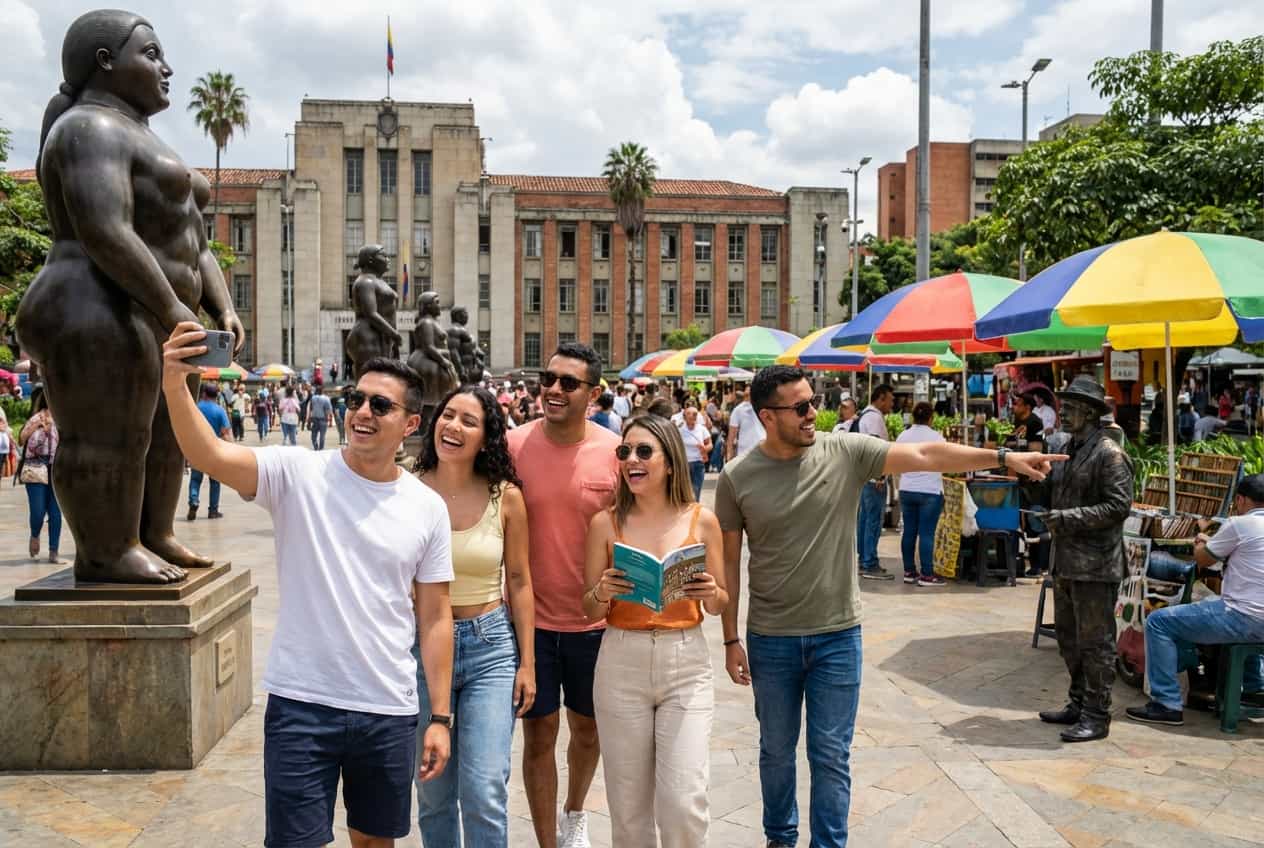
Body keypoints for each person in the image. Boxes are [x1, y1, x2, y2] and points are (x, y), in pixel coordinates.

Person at [716, 366, 1062, 848]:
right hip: (771, 639)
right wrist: (730, 638)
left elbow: (925, 452)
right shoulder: (738, 478)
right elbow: (728, 565)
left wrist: (1003, 455)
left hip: (838, 636)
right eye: (800, 407)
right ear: (766, 417)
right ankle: (780, 837)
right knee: (775, 751)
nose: (814, 412)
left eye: (812, 401)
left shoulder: (844, 452)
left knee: (830, 754)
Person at [162, 323, 455, 848]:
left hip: (387, 706)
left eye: (380, 406)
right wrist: (172, 380)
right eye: (356, 399)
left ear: (411, 422)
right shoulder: (296, 472)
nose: (363, 412)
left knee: (374, 841)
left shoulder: (427, 506)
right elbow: (207, 455)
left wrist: (440, 717)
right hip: (301, 704)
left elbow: (434, 617)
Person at [15, 10, 244, 584]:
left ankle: (154, 533)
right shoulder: (88, 128)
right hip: (95, 305)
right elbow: (104, 230)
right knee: (113, 434)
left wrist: (222, 306)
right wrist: (172, 308)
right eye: (151, 54)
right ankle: (106, 548)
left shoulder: (141, 136)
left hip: (157, 313)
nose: (166, 68)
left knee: (169, 427)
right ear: (105, 62)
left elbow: (196, 243)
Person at [582, 414, 728, 846]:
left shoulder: (702, 521)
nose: (631, 460)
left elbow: (719, 604)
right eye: (624, 452)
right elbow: (587, 609)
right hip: (621, 660)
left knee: (684, 801)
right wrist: (603, 590)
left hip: (686, 662)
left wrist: (709, 589)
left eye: (644, 451)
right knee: (628, 809)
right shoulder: (604, 524)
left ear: (669, 460)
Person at [413, 385, 537, 847]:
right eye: (448, 415)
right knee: (433, 791)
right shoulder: (408, 487)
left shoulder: (505, 497)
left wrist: (528, 663)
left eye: (469, 421)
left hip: (491, 649)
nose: (454, 426)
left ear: (486, 438)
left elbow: (520, 582)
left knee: (484, 789)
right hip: (421, 648)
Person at [508, 342, 620, 848]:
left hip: (595, 624)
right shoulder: (511, 446)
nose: (553, 390)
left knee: (589, 731)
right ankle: (547, 842)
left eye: (568, 383)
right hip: (527, 621)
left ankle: (575, 810)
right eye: (547, 379)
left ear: (593, 394)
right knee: (537, 736)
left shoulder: (615, 452)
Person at [1029, 376, 1134, 743]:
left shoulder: (1109, 453)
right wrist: (1033, 475)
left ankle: (1097, 713)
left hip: (1096, 564)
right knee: (1069, 639)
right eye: (1064, 407)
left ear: (1090, 413)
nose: (1064, 414)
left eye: (1071, 408)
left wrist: (1069, 518)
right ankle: (1077, 701)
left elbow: (1119, 505)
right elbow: (1055, 491)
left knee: (1096, 642)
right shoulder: (1068, 448)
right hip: (1067, 561)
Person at [1127, 473, 1264, 726]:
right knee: (1239, 614)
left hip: (1244, 618)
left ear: (1243, 500)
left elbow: (1203, 559)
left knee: (1158, 622)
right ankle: (1254, 689)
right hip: (1255, 619)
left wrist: (1200, 541)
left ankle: (1166, 703)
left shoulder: (1240, 523)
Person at [895, 402, 946, 587]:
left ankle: (909, 571)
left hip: (907, 489)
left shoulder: (903, 436)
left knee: (909, 531)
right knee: (926, 533)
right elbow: (945, 462)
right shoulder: (937, 438)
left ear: (913, 417)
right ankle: (927, 574)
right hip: (930, 491)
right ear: (931, 418)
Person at [856, 384, 895, 580]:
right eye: (890, 399)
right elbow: (874, 446)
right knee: (872, 520)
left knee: (865, 519)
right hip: (874, 479)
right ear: (880, 398)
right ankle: (869, 562)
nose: (892, 403)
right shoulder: (874, 418)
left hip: (867, 477)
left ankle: (864, 558)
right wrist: (880, 475)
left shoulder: (867, 415)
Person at [19, 389, 61, 564]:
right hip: (36, 468)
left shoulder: (63, 419)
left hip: (57, 469)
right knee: (38, 511)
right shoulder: (36, 418)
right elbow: (21, 439)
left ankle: (54, 552)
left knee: (56, 512)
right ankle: (35, 535)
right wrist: (36, 427)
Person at [187, 382, 231, 521]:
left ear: (204, 394)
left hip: (197, 449)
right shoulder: (220, 411)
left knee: (195, 479)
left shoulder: (195, 408)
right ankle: (213, 511)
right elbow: (225, 433)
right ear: (216, 395)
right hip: (214, 450)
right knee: (215, 481)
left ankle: (194, 501)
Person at [676, 404, 712, 502]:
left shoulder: (702, 429)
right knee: (684, 492)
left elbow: (710, 445)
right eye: (689, 414)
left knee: (696, 491)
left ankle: (695, 513)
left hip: (698, 464)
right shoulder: (679, 430)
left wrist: (704, 448)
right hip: (684, 464)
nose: (692, 416)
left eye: (695, 414)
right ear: (684, 416)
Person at [726, 389, 765, 461]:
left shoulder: (764, 407)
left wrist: (729, 454)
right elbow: (731, 436)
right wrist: (729, 454)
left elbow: (731, 436)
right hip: (747, 452)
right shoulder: (738, 410)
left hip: (758, 450)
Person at [308, 386, 333, 451]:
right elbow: (328, 410)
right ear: (322, 391)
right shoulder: (326, 398)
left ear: (316, 391)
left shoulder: (313, 398)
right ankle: (321, 449)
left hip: (315, 419)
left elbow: (311, 409)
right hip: (323, 419)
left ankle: (316, 447)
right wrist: (330, 420)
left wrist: (309, 419)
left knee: (313, 435)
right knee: (322, 436)